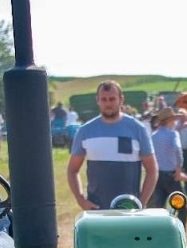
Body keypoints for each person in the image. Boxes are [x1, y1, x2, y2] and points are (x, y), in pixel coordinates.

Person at [66, 80, 157, 211]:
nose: (108, 104)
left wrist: (141, 202)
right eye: (104, 99)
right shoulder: (85, 131)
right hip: (97, 210)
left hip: (129, 210)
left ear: (121, 99)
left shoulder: (138, 129)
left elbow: (152, 170)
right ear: (97, 100)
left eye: (112, 99)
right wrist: (81, 200)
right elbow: (72, 170)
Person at [150, 104, 185, 221]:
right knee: (182, 206)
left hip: (158, 174)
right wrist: (179, 167)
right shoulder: (173, 134)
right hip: (171, 175)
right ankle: (181, 228)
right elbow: (177, 149)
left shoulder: (153, 136)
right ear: (169, 121)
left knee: (158, 207)